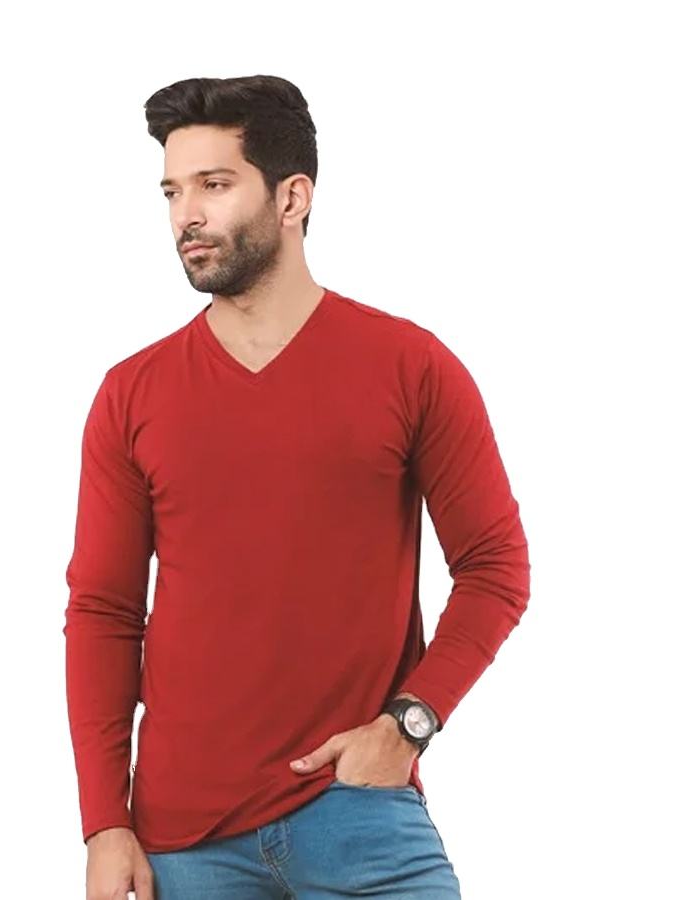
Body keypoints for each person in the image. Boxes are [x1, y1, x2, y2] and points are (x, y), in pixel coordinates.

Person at [63, 74, 530, 899]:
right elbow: (104, 611)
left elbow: (495, 567)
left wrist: (408, 725)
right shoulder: (132, 395)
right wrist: (105, 823)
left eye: (214, 185)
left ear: (292, 197)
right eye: (172, 191)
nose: (185, 215)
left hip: (360, 810)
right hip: (185, 840)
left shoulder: (411, 367)